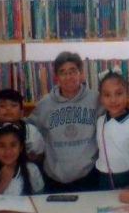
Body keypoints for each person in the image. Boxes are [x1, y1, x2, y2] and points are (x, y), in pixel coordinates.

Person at [27, 51, 102, 193]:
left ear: (81, 74)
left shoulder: (96, 100)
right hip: (54, 178)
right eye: (63, 72)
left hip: (89, 176)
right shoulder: (44, 104)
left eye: (73, 71)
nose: (68, 77)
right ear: (56, 77)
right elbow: (28, 130)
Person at [95, 70, 129, 189]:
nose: (113, 100)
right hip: (104, 176)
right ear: (101, 98)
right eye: (107, 95)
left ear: (128, 93)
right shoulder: (100, 121)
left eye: (119, 93)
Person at [0, 122, 44, 196]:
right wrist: (3, 183)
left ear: (21, 147)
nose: (8, 151)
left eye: (13, 145)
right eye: (2, 146)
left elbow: (40, 199)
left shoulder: (31, 169)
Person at [0, 88, 45, 162]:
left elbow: (39, 156)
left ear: (21, 113)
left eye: (13, 105)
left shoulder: (31, 132)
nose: (8, 109)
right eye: (2, 106)